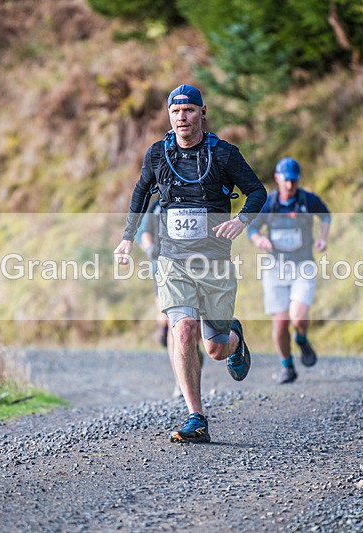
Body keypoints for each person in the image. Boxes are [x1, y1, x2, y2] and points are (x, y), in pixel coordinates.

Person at [114, 84, 266, 443]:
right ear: (169, 116)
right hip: (173, 261)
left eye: (189, 110)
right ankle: (196, 417)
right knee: (182, 329)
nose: (182, 117)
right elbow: (140, 192)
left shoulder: (223, 155)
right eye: (175, 111)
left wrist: (241, 220)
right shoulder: (157, 154)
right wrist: (127, 237)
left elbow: (257, 190)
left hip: (214, 262)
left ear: (202, 113)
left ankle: (235, 339)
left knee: (215, 348)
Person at [248, 157, 331, 384]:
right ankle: (287, 366)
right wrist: (259, 240)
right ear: (277, 179)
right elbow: (252, 228)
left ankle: (302, 339)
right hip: (275, 267)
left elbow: (325, 215)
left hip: (303, 264)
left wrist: (322, 238)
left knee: (298, 317)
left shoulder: (307, 200)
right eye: (286, 181)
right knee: (281, 323)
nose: (290, 185)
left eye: (293, 181)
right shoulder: (269, 203)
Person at [137, 199, 204, 399]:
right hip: (163, 272)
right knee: (170, 322)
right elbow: (143, 232)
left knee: (193, 326)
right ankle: (179, 379)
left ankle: (193, 351)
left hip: (193, 269)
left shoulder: (194, 199)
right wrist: (150, 248)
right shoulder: (156, 205)